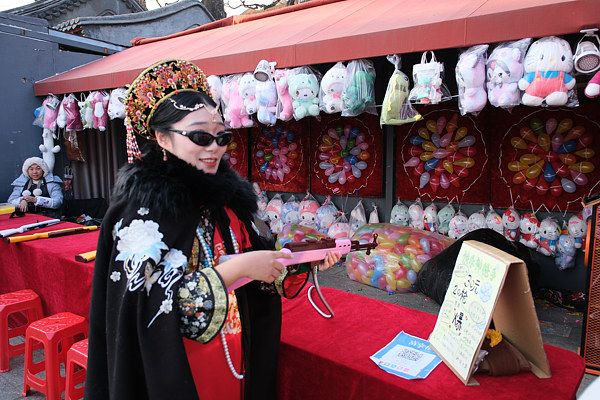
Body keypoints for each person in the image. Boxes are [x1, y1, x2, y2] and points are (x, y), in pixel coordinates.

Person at [85, 60, 340, 400]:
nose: (215, 147)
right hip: (177, 367)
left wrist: (301, 261)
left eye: (222, 136)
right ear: (162, 138)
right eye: (200, 136)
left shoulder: (227, 201)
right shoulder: (140, 211)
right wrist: (236, 269)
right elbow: (146, 307)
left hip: (233, 351)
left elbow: (256, 268)